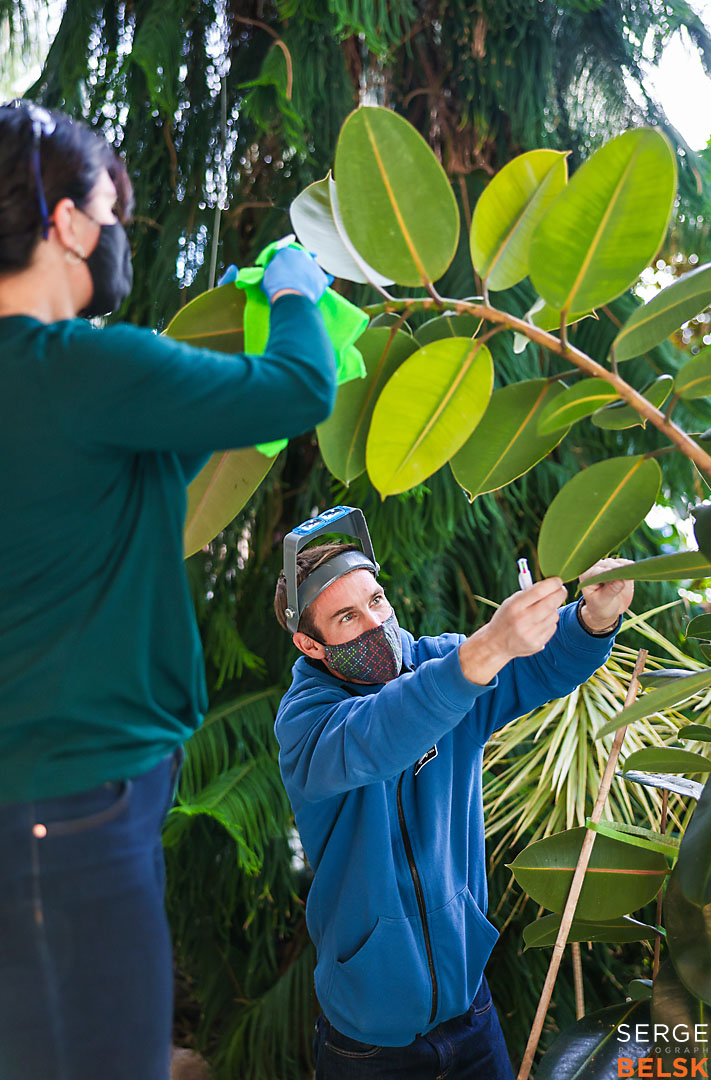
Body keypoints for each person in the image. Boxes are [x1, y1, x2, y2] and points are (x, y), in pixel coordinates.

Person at [0, 99, 338, 1080]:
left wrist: (214, 410)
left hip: (53, 797)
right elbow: (300, 388)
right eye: (105, 208)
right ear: (63, 222)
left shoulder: (59, 390)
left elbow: (98, 489)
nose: (113, 232)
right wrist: (294, 298)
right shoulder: (81, 366)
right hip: (66, 807)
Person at [272, 508, 634, 1079]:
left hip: (470, 1010)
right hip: (369, 1043)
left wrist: (593, 618)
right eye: (347, 617)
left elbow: (531, 668)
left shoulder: (436, 661)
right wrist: (484, 651)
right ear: (310, 645)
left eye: (377, 601)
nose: (375, 622)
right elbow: (381, 732)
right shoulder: (306, 723)